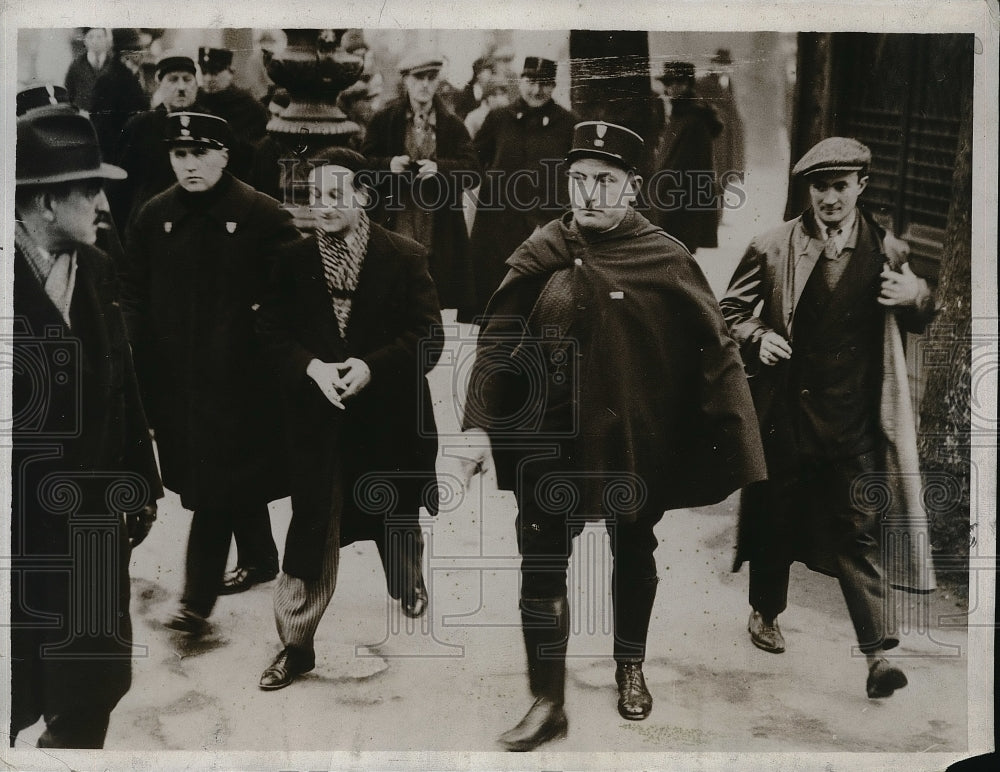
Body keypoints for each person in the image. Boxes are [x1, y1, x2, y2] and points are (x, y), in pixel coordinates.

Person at [461, 121, 767, 751]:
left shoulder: (664, 255)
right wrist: (475, 429)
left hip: (633, 438)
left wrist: (741, 441)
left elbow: (715, 348)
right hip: (549, 439)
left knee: (633, 548)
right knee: (541, 563)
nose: (590, 193)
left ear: (632, 187)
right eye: (579, 179)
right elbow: (496, 343)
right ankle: (547, 700)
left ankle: (630, 664)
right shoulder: (542, 246)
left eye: (605, 180)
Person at [719, 137, 938, 698]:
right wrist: (758, 336)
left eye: (841, 186)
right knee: (775, 523)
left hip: (854, 424)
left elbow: (919, 315)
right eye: (820, 186)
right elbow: (728, 313)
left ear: (861, 186)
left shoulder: (890, 252)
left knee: (857, 534)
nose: (830, 198)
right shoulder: (772, 247)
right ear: (807, 190)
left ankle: (876, 657)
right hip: (786, 417)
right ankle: (765, 612)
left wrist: (914, 293)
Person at [254, 148, 443, 690]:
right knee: (313, 525)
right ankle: (295, 645)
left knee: (395, 516)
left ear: (364, 195)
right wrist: (311, 367)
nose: (324, 205)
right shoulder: (292, 260)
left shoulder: (404, 256)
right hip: (321, 422)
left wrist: (370, 367)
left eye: (336, 193)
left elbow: (428, 339)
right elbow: (270, 332)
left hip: (388, 421)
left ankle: (408, 582)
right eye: (315, 195)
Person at [11, 104, 162, 748]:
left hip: (94, 524)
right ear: (45, 203)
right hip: (17, 531)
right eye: (90, 189)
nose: (105, 204)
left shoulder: (97, 269)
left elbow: (121, 383)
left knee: (93, 686)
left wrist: (141, 481)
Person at [121, 113, 301, 633]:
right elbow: (133, 288)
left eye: (201, 153)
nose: (190, 165)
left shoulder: (260, 213)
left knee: (217, 485)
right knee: (212, 476)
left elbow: (290, 292)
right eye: (179, 154)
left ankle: (195, 602)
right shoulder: (156, 215)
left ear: (224, 154)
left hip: (243, 383)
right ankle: (262, 558)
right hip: (177, 382)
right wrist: (132, 347)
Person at [362, 51, 480, 320]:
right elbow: (362, 165)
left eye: (431, 77)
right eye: (418, 78)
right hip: (395, 220)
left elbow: (473, 171)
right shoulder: (385, 120)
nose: (425, 84)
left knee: (432, 304)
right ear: (406, 80)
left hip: (438, 228)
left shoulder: (452, 125)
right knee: (391, 299)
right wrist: (388, 165)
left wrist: (441, 169)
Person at [467, 56, 577, 318]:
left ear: (554, 86)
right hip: (498, 229)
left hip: (545, 228)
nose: (537, 90)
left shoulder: (568, 123)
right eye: (531, 82)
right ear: (521, 81)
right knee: (495, 309)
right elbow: (472, 161)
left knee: (541, 307)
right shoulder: (499, 118)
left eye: (545, 83)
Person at [110, 52, 206, 229]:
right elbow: (120, 188)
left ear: (196, 84)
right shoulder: (139, 126)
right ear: (159, 84)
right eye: (173, 79)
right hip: (151, 225)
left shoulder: (211, 124)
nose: (181, 87)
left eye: (187, 79)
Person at [648, 61, 722, 254]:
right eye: (667, 84)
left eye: (674, 83)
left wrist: (661, 200)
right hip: (672, 202)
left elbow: (681, 169)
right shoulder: (680, 115)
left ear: (686, 85)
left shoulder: (693, 120)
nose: (669, 89)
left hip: (680, 208)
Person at [197, 47, 270, 182]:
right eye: (204, 71)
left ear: (231, 71)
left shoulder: (249, 107)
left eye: (215, 72)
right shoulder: (196, 101)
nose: (208, 78)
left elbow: (256, 154)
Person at [696, 48, 745, 221]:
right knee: (711, 175)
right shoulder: (703, 83)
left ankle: (718, 216)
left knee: (723, 175)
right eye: (720, 64)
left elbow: (733, 110)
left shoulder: (728, 82)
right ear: (713, 64)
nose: (723, 68)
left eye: (726, 65)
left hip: (727, 139)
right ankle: (709, 217)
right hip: (713, 138)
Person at [89, 28, 150, 162]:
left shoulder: (136, 75)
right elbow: (101, 129)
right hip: (121, 159)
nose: (142, 53)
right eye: (137, 49)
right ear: (125, 53)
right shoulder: (108, 80)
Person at [64, 27, 113, 113]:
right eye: (90, 37)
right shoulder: (76, 66)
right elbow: (69, 94)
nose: (95, 41)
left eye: (99, 37)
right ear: (85, 41)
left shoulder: (114, 65)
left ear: (106, 40)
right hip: (84, 118)